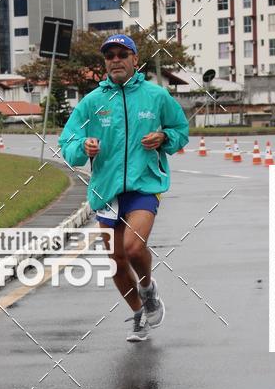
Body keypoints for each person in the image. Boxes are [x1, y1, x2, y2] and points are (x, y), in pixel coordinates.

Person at [58, 34, 189, 342]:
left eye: (121, 54)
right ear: (105, 63)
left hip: (145, 183)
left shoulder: (156, 96)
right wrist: (84, 147)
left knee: (133, 247)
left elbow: (180, 129)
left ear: (134, 59)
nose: (115, 59)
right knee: (116, 260)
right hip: (107, 190)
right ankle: (139, 313)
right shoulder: (92, 102)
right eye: (109, 56)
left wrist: (164, 139)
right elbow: (68, 142)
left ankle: (147, 288)